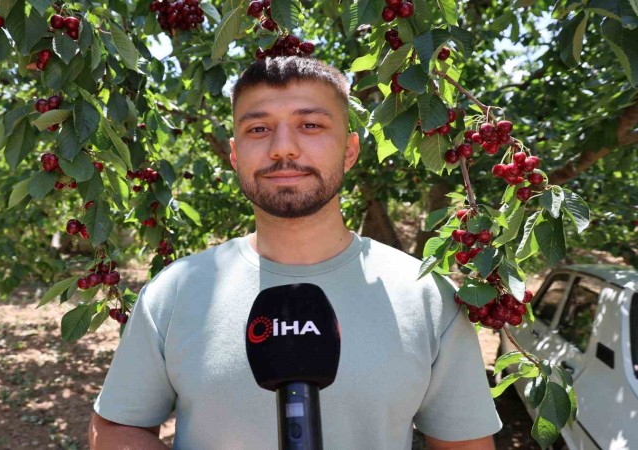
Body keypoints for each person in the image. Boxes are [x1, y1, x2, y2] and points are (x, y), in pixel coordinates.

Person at [88, 56, 502, 450]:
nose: (283, 148)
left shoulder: (427, 297)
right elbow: (116, 427)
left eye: (310, 125)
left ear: (350, 150)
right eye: (258, 129)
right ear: (234, 155)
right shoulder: (175, 291)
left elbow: (465, 442)